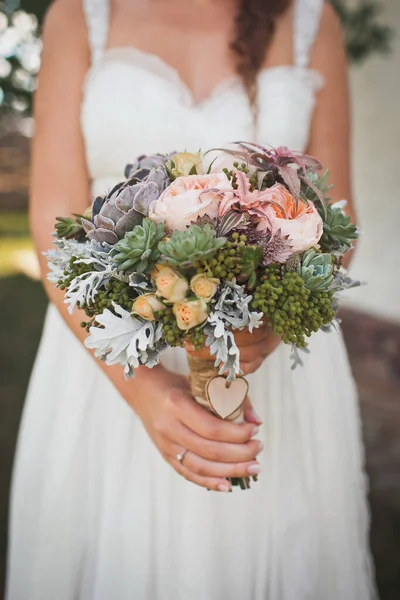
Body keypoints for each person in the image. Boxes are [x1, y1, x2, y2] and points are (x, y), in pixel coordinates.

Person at [6, 0, 377, 598]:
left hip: (272, 377)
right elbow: (55, 220)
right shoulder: (79, 15)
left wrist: (273, 325)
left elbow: (339, 217)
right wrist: (145, 391)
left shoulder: (312, 20)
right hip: (110, 357)